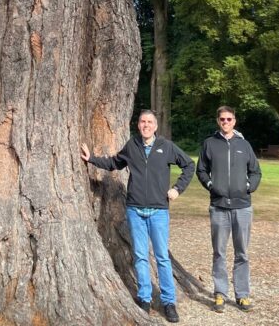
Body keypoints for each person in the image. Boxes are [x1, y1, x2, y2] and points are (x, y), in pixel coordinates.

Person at [80, 110, 194, 323]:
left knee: (161, 257)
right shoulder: (132, 146)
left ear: (156, 126)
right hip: (135, 210)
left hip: (159, 211)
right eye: (143, 121)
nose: (146, 125)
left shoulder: (166, 147)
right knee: (140, 256)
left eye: (150, 122)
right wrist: (91, 159)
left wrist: (177, 189)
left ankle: (169, 302)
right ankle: (144, 298)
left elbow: (189, 165)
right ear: (138, 125)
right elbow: (114, 163)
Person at [196, 106, 262, 314]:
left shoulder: (244, 144)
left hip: (242, 207)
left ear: (235, 121)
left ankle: (242, 295)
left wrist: (249, 187)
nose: (225, 122)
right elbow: (201, 169)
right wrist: (210, 185)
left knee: (242, 253)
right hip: (219, 206)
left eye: (229, 119)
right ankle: (220, 294)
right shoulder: (210, 143)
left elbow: (256, 171)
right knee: (219, 252)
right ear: (218, 121)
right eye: (222, 119)